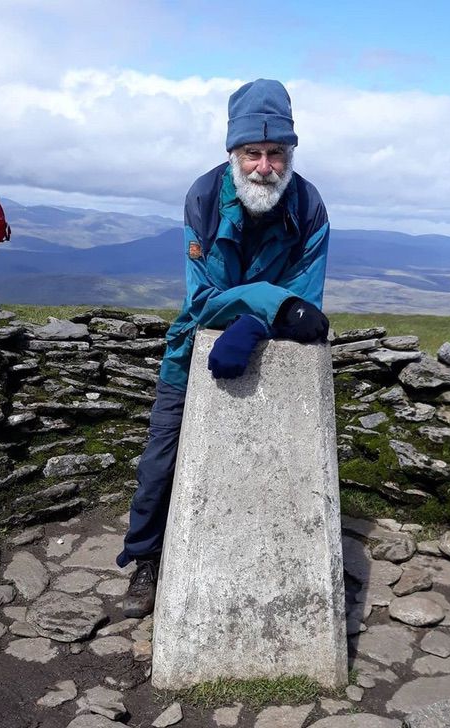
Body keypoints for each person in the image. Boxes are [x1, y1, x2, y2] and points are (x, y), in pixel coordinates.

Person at [117, 79, 331, 618]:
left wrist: (255, 324)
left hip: (275, 359)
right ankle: (146, 560)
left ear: (290, 152)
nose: (265, 166)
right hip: (188, 354)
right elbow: (201, 302)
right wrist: (265, 307)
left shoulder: (307, 207)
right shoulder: (206, 198)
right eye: (252, 153)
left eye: (276, 152)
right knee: (160, 461)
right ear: (232, 152)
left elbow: (306, 307)